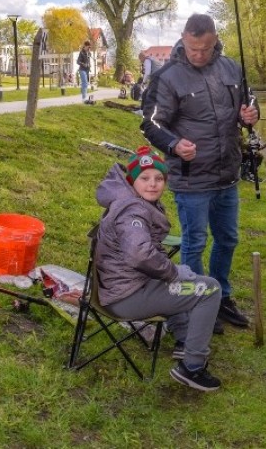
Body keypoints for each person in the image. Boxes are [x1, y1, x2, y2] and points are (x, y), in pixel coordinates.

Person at [140, 13, 258, 333]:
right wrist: (175, 143)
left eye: (205, 48)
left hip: (227, 173)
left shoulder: (232, 68)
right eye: (193, 48)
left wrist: (250, 113)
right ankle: (196, 303)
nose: (199, 55)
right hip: (192, 177)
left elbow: (248, 104)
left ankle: (221, 296)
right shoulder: (168, 77)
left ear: (215, 39)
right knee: (194, 241)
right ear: (184, 38)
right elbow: (149, 123)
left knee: (228, 239)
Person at [94, 146, 223, 391]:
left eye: (158, 178)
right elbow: (139, 254)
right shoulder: (133, 210)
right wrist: (173, 273)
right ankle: (192, 367)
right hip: (126, 297)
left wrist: (174, 273)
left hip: (123, 287)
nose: (152, 184)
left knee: (185, 279)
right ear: (131, 181)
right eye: (144, 178)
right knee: (210, 290)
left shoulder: (131, 200)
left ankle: (184, 339)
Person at [77, 40, 93, 104]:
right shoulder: (81, 53)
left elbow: (88, 61)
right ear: (85, 46)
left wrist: (89, 65)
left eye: (90, 47)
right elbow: (78, 61)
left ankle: (83, 94)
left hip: (87, 70)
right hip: (82, 70)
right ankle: (84, 98)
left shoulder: (89, 53)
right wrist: (84, 64)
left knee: (85, 84)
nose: (89, 48)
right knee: (85, 83)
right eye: (88, 47)